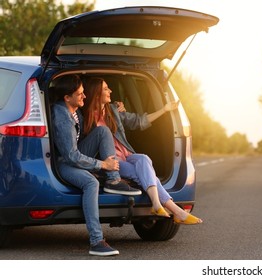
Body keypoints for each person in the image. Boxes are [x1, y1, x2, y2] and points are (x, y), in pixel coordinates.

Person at [81, 77, 203, 225]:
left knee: (144, 159)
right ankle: (173, 210)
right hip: (111, 162)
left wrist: (164, 109)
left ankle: (158, 204)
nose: (110, 91)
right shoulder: (83, 115)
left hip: (126, 154)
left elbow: (138, 121)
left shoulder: (113, 110)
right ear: (96, 93)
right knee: (144, 174)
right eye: (106, 88)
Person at [51, 74, 141, 257]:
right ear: (67, 98)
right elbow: (70, 156)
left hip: (77, 156)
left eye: (84, 92)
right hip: (64, 163)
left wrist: (115, 108)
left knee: (103, 131)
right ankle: (96, 241)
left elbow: (84, 138)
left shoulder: (75, 110)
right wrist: (102, 165)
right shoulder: (62, 117)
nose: (84, 97)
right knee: (91, 183)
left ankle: (113, 181)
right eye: (80, 94)